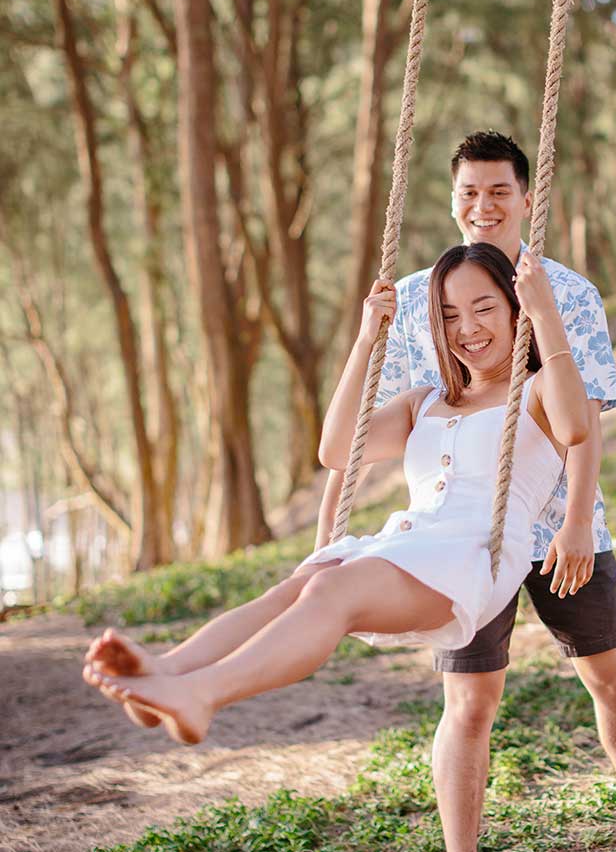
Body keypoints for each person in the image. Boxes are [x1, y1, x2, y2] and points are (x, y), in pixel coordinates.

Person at [316, 132, 616, 852]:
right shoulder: (420, 298)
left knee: (610, 679)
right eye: (468, 192)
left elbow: (586, 421)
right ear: (453, 201)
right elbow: (360, 436)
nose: (482, 206)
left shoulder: (565, 292)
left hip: (556, 526)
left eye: (498, 191)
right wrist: (328, 530)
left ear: (524, 198)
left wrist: (578, 522)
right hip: (458, 536)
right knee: (470, 701)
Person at [82, 242, 590, 749]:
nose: (468, 328)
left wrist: (546, 314)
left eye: (485, 309)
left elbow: (574, 429)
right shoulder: (425, 402)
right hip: (409, 543)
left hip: (473, 556)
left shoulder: (542, 391)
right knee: (297, 586)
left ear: (515, 309)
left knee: (330, 591)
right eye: (451, 314)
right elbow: (337, 449)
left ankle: (201, 694)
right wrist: (367, 339)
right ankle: (165, 672)